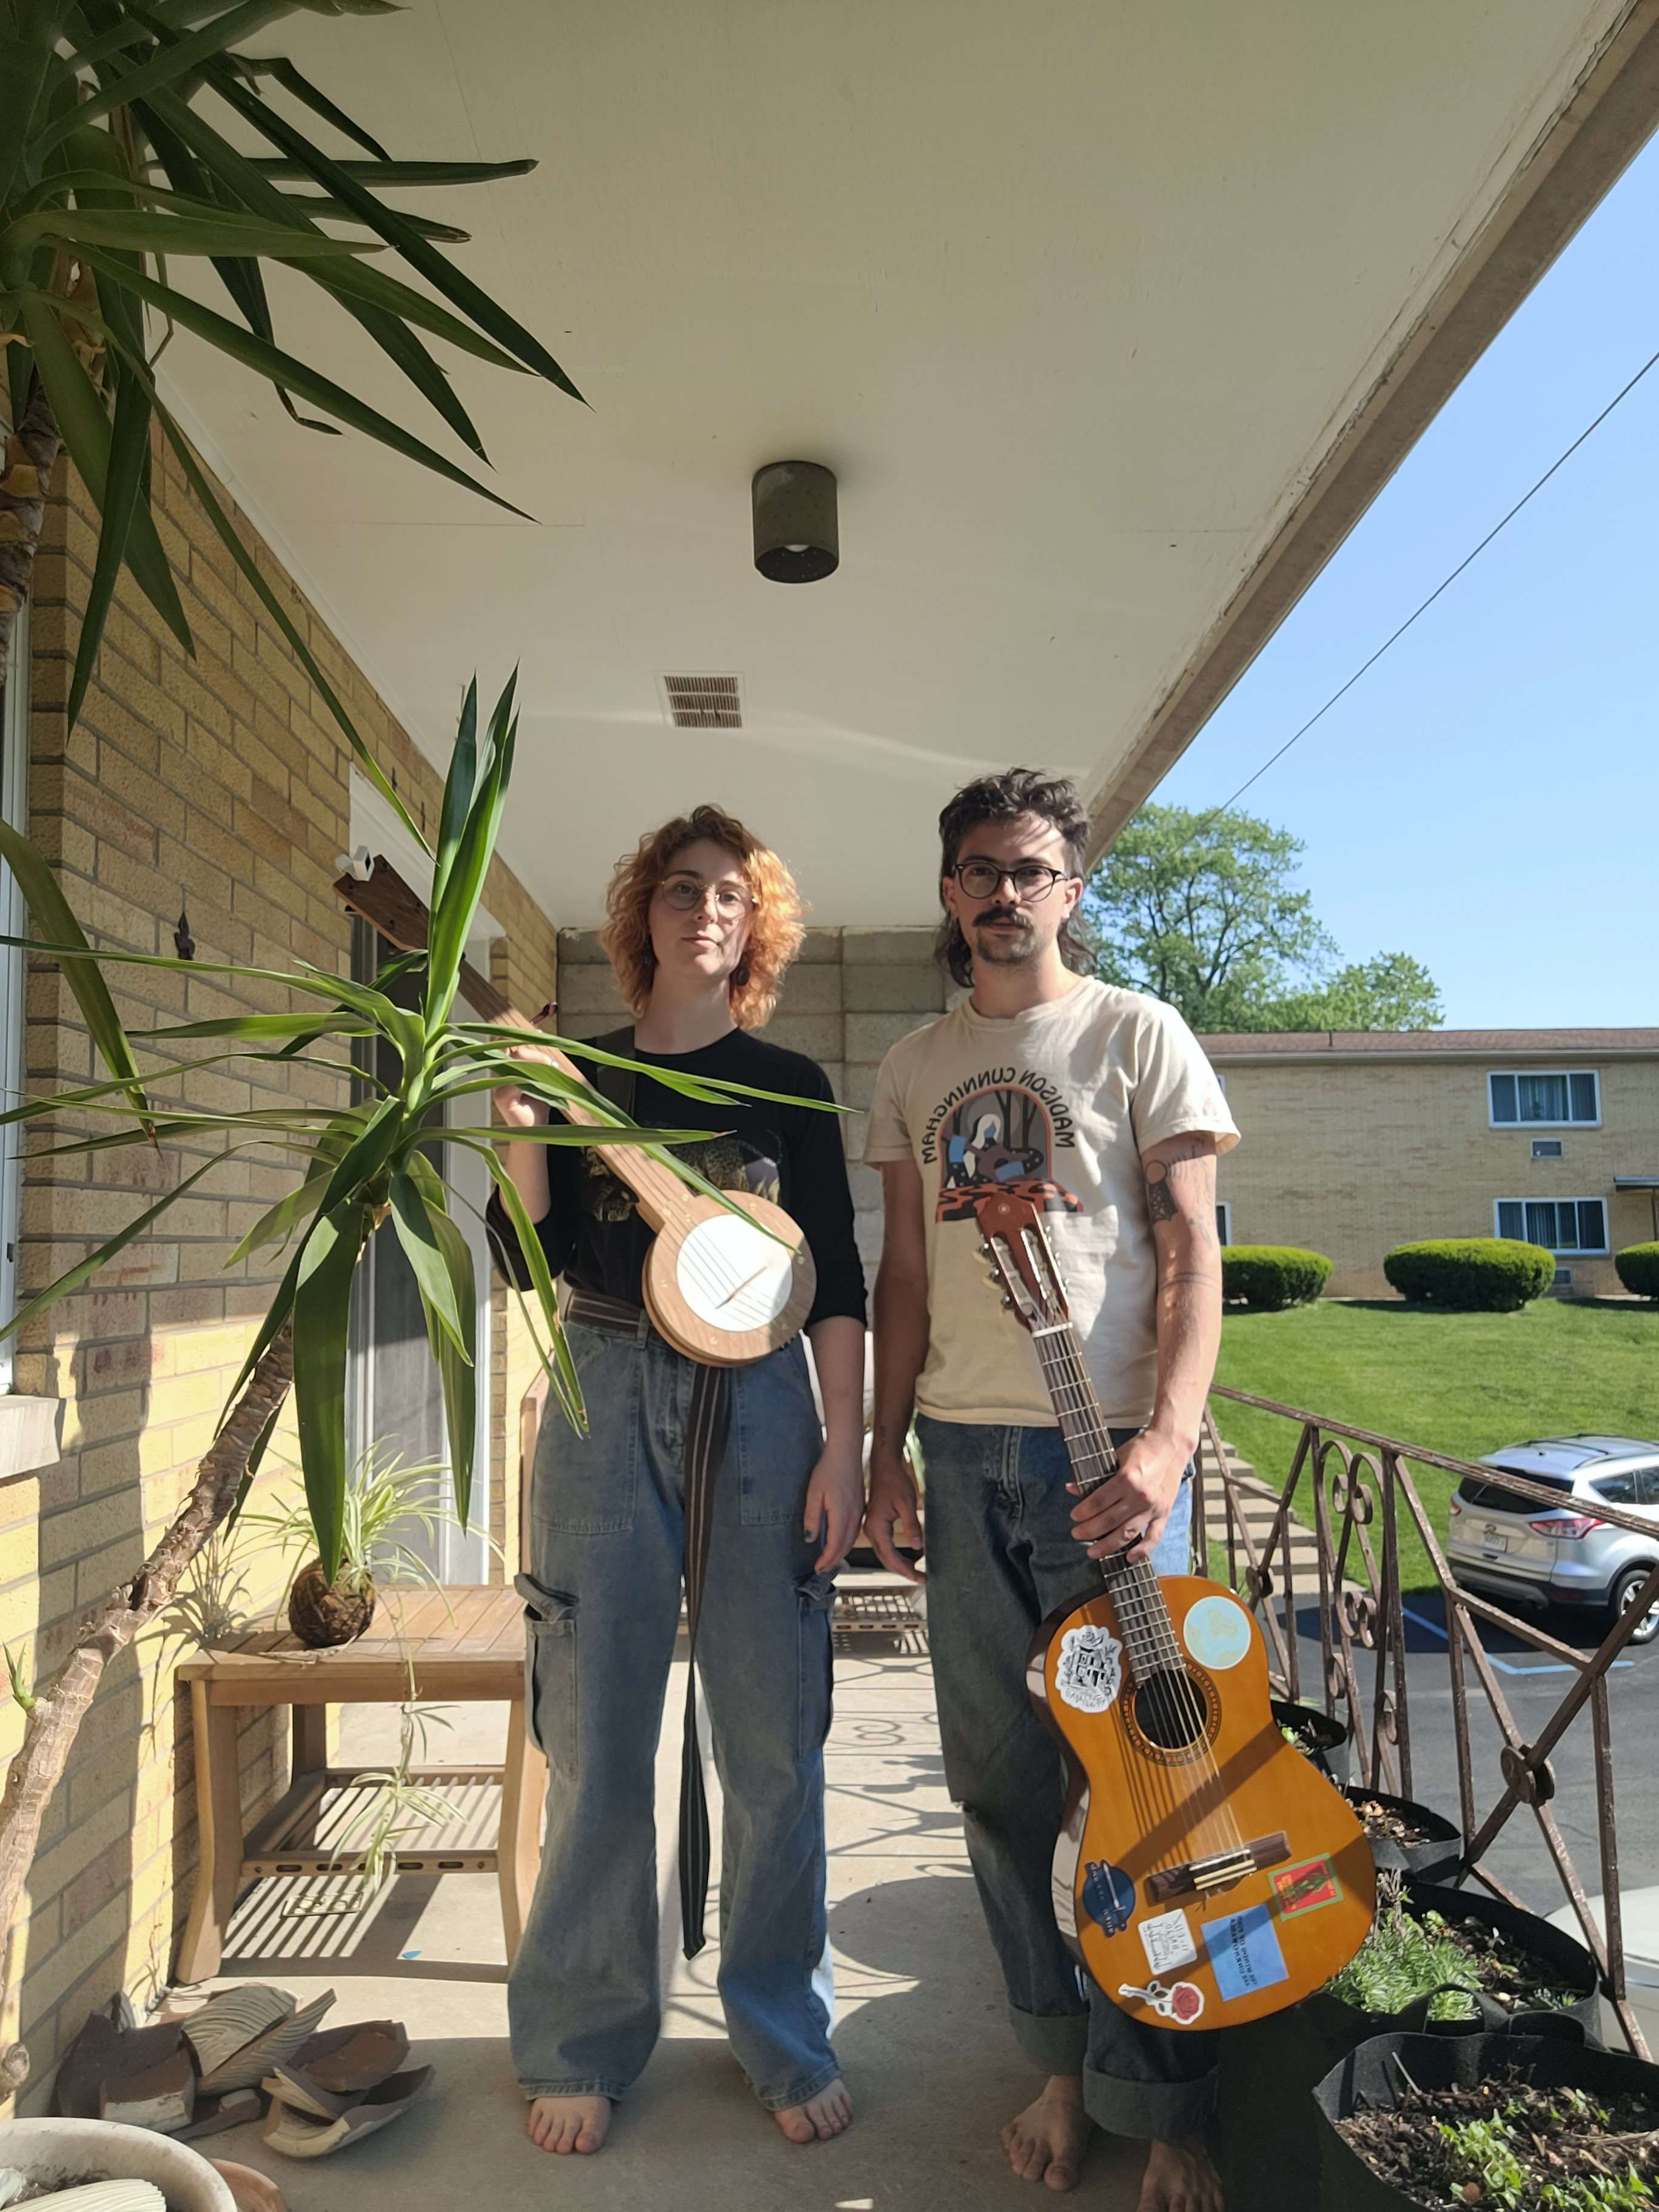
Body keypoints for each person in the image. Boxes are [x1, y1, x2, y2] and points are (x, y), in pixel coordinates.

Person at [860, 769, 1238, 2211]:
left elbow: (1195, 1257)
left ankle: (1171, 2099)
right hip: (962, 1458)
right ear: (949, 895)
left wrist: (1164, 1452)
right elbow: (904, 1276)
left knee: (1151, 1786)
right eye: (976, 871)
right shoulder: (912, 1064)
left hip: (1110, 1468)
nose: (1002, 893)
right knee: (1004, 1789)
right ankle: (1061, 2067)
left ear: (1072, 889)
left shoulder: (1140, 1036)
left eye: (1029, 870)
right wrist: (887, 1452)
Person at [488, 804, 867, 2157]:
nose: (705, 909)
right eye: (680, 889)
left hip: (763, 1407)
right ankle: (583, 2036)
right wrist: (522, 1120)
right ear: (639, 915)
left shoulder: (790, 1082)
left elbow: (839, 1286)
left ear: (754, 924)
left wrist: (846, 1444)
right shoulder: (583, 1069)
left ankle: (779, 2028)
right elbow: (522, 1255)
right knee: (595, 1736)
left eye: (730, 894)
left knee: (774, 1739)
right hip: (601, 1390)